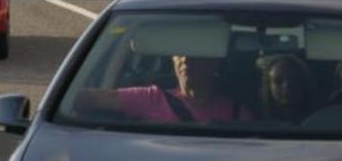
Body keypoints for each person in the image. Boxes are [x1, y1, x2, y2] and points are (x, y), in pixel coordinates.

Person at [73, 54, 252, 123]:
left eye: (197, 54)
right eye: (180, 54)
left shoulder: (237, 114)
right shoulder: (151, 98)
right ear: (173, 60)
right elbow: (88, 99)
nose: (186, 60)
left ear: (215, 63)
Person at [257, 54, 316, 123]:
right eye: (278, 81)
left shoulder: (319, 121)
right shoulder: (255, 124)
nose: (286, 85)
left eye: (294, 79)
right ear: (268, 86)